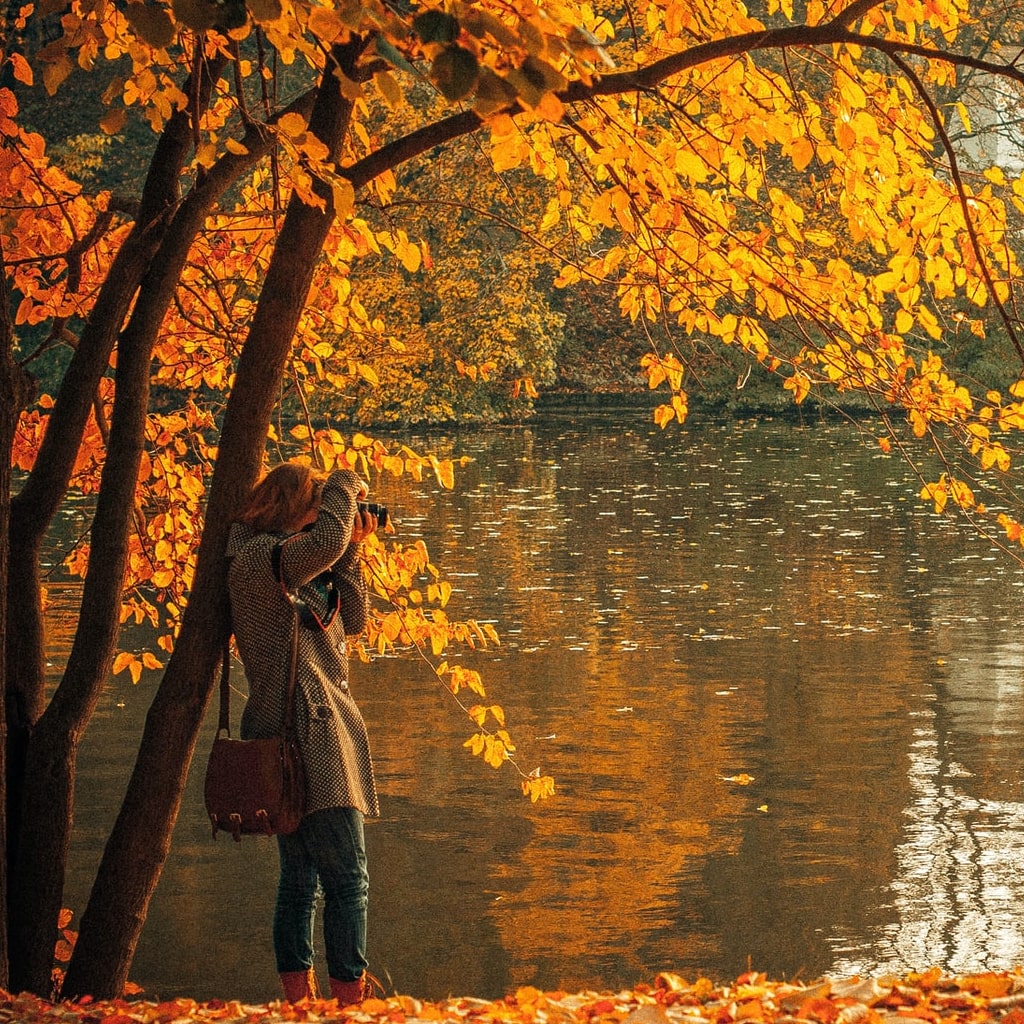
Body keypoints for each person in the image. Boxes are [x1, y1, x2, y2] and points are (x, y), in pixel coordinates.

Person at [226, 461, 381, 1006]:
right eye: (318, 503)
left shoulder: (296, 567)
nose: (327, 517)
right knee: (348, 879)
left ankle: (300, 1003)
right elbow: (326, 541)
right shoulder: (257, 561)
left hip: (318, 728)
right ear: (294, 506)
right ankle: (349, 1002)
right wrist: (343, 482)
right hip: (301, 733)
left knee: (303, 880)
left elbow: (355, 619)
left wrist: (353, 550)